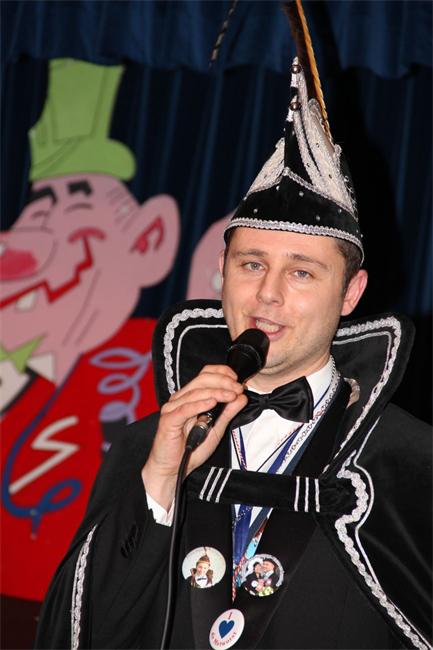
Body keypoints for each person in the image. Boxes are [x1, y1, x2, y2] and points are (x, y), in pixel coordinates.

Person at [35, 58, 431, 650]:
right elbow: (84, 628)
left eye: (302, 272)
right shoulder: (149, 445)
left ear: (351, 294)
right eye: (251, 265)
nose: (268, 294)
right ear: (221, 271)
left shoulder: (413, 462)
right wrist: (160, 482)